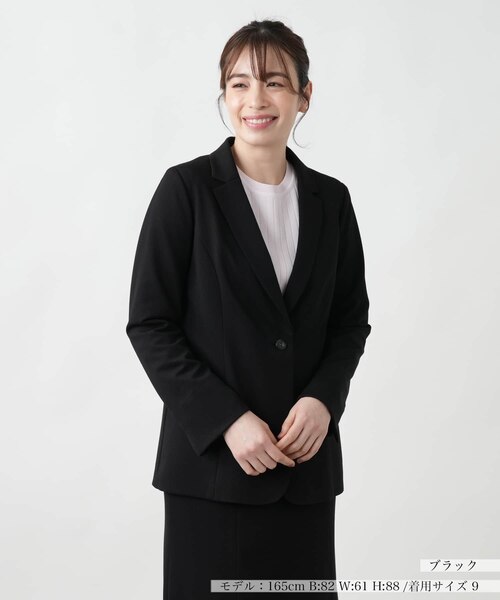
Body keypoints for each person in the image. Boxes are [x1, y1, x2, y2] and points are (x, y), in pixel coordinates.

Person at [126, 19, 372, 600]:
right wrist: (226, 420)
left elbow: (349, 321)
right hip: (213, 473)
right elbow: (151, 324)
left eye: (274, 82)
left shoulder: (332, 201)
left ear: (304, 96)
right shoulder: (185, 191)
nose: (255, 99)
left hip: (304, 470)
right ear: (224, 95)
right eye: (239, 84)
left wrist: (323, 399)